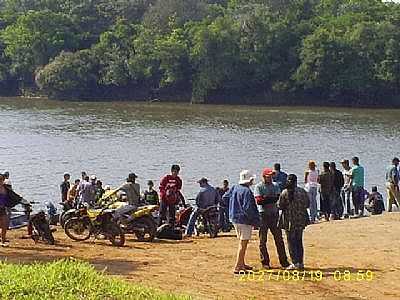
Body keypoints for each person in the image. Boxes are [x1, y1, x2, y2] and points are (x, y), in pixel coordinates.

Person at [254, 168, 289, 269]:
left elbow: (277, 198)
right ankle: (265, 262)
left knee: (279, 239)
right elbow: (259, 201)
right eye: (268, 176)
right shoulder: (258, 186)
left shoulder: (275, 185)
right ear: (264, 176)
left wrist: (266, 198)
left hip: (274, 214)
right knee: (262, 240)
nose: (270, 178)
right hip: (263, 215)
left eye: (271, 176)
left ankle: (284, 261)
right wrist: (270, 199)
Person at [229, 170, 259, 274]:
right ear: (249, 180)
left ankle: (241, 263)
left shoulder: (235, 187)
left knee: (242, 242)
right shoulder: (247, 191)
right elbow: (248, 208)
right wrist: (255, 221)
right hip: (244, 220)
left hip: (235, 218)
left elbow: (225, 198)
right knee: (243, 243)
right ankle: (238, 266)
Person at [277, 174, 310, 270]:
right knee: (299, 241)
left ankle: (295, 262)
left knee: (291, 242)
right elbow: (307, 204)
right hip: (300, 220)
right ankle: (300, 262)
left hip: (289, 221)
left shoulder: (284, 193)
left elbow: (280, 206)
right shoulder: (302, 191)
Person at [0, 173, 26, 246]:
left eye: (1, 180)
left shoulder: (6, 188)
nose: (0, 181)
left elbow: (15, 196)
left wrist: (24, 202)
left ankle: (3, 240)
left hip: (2, 208)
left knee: (4, 225)